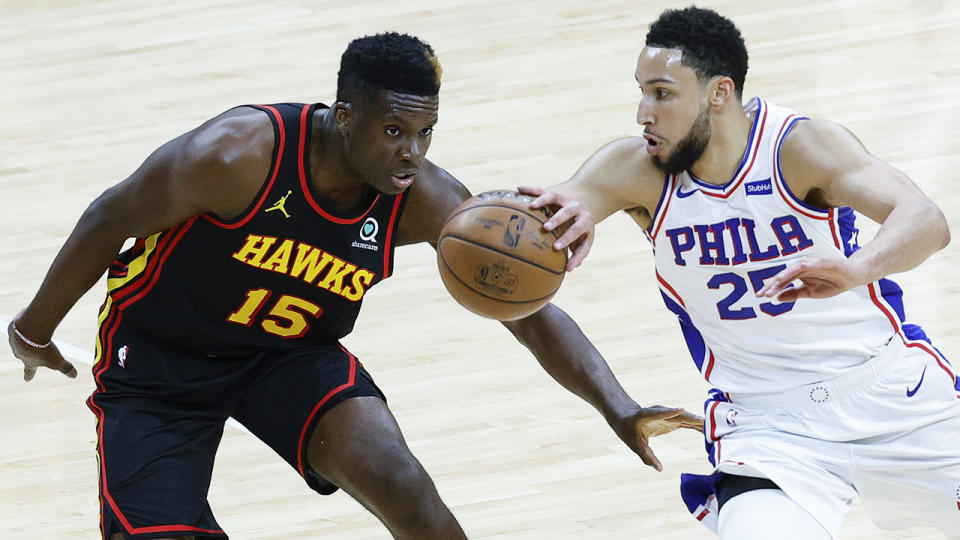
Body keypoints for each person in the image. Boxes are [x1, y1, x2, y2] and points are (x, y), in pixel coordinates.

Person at [6, 32, 702, 540]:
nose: (413, 153)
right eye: (394, 130)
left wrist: (616, 405)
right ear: (345, 116)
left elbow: (528, 311)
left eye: (426, 131)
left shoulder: (424, 198)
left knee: (404, 485)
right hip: (161, 361)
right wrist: (33, 331)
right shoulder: (233, 157)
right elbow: (106, 219)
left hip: (288, 356)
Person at [523, 7, 960, 540]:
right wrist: (555, 222)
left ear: (719, 93)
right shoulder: (635, 170)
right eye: (641, 92)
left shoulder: (799, 147)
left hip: (893, 398)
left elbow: (926, 220)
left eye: (662, 93)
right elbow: (563, 202)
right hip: (768, 429)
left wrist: (857, 267)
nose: (643, 112)